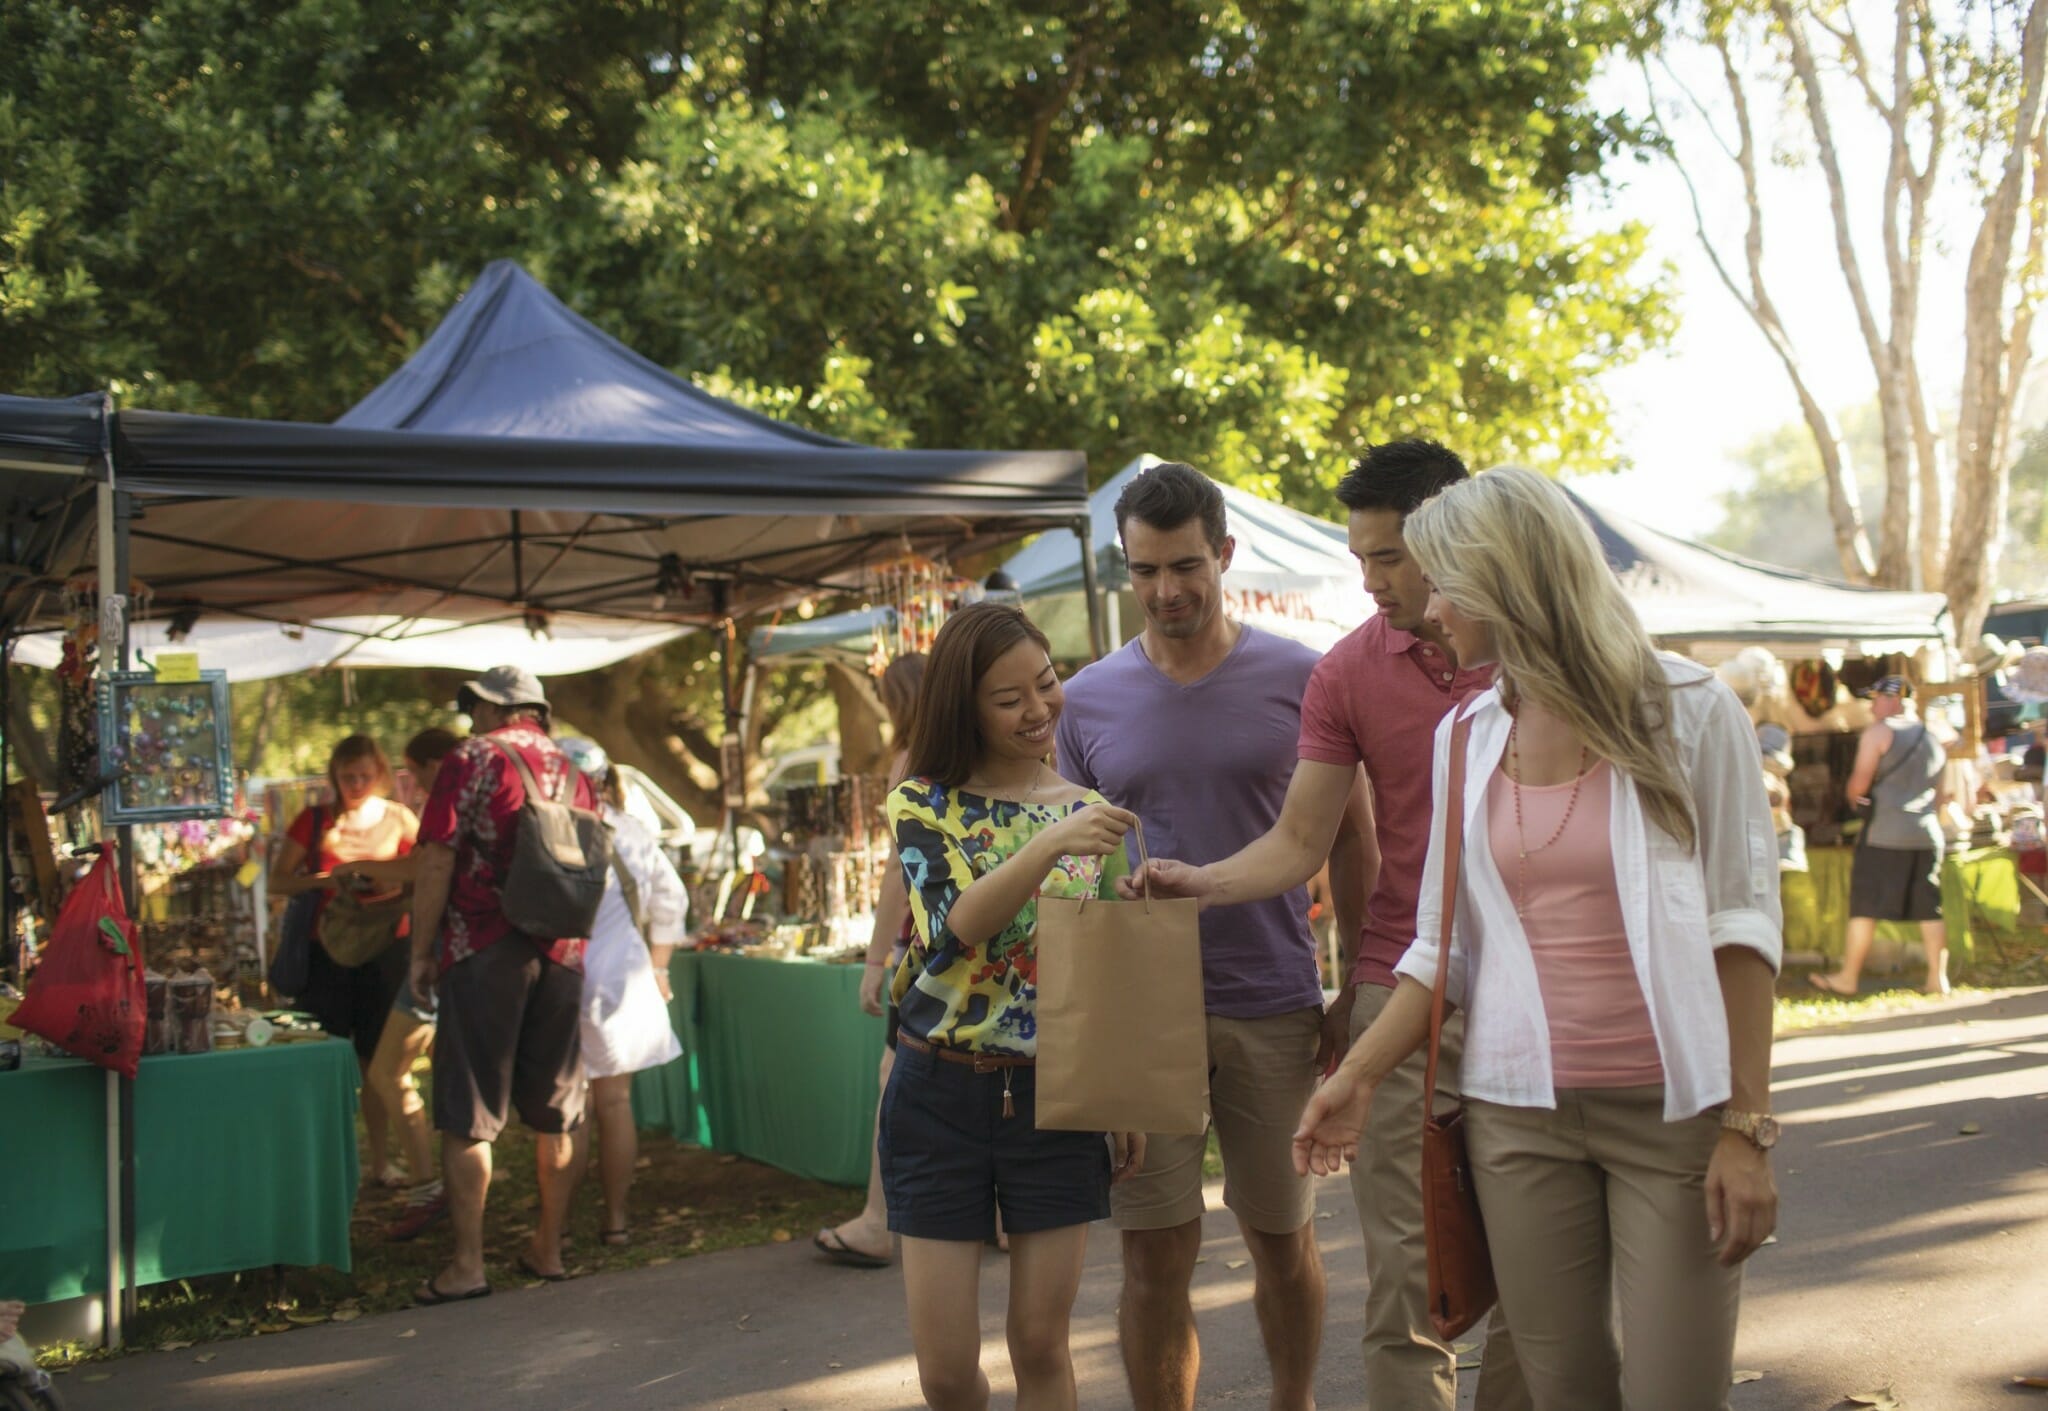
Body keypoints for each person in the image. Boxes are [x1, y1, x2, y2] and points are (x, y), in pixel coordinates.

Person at [1293, 466, 1782, 1411]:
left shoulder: (1690, 709)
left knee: (1678, 1392)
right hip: (1520, 1119)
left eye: (1443, 583)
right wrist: (1353, 1075)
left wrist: (1746, 1127)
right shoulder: (1467, 735)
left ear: (1507, 579)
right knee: (1564, 1396)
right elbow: (1441, 951)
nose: (1428, 609)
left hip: (1671, 1112)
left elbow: (1743, 929)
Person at [1126, 439, 1525, 1411]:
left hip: (1536, 981)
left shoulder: (1535, 655)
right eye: (1358, 557)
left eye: (1388, 556)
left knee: (1536, 1263)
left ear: (1453, 537)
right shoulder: (1345, 670)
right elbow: (1301, 834)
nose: (1371, 580)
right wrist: (1203, 881)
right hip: (1402, 984)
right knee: (1402, 1275)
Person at [1054, 461, 1370, 1411]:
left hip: (1272, 999)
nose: (1167, 591)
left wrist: (1351, 987)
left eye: (1186, 565)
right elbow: (1071, 873)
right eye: (1145, 571)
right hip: (1140, 1019)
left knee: (1283, 1239)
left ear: (1225, 554)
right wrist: (1087, 1029)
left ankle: (1293, 1401)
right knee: (1153, 1255)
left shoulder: (1303, 678)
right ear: (1125, 567)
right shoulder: (1085, 700)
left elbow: (1353, 840)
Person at [882, 602, 1144, 1411]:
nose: (1039, 709)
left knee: (1041, 1342)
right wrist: (1046, 844)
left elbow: (1104, 961)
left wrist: (1119, 1089)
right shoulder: (921, 803)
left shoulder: (1085, 810)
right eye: (1010, 698)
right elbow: (954, 928)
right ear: (965, 707)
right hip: (936, 1095)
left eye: (1047, 681)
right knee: (948, 1374)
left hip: (1054, 1098)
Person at [410, 665, 597, 1304]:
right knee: (560, 1110)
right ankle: (548, 1248)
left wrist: (420, 951)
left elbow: (436, 854)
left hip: (484, 945)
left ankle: (468, 1265)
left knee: (470, 1112)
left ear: (495, 709)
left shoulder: (473, 758)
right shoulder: (578, 771)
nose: (469, 720)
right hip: (566, 951)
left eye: (475, 708)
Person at [816, 651, 926, 1269]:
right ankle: (1004, 1220)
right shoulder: (981, 751)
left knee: (896, 1081)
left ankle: (878, 1221)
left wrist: (876, 962)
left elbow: (897, 870)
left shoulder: (912, 761)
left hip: (929, 946)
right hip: (995, 944)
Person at [270, 734, 419, 1187]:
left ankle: (381, 1161)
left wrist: (381, 886)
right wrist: (327, 880)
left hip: (388, 950)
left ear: (380, 775)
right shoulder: (314, 820)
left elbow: (423, 875)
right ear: (334, 776)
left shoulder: (400, 818)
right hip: (326, 952)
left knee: (379, 1063)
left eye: (364, 775)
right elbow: (279, 882)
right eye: (346, 775)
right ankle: (332, 1164)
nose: (355, 783)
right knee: (327, 1061)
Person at [557, 735, 686, 1245]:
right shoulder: (630, 830)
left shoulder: (546, 828)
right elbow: (670, 902)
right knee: (613, 1103)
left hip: (565, 975)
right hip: (622, 977)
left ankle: (558, 1226)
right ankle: (615, 1220)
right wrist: (660, 967)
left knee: (572, 1107)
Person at [344, 728, 462, 1241]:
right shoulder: (475, 797)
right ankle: (443, 1186)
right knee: (435, 1077)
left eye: (414, 773)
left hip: (438, 958)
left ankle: (429, 1188)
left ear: (434, 766)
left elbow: (427, 868)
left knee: (389, 1072)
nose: (411, 784)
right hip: (461, 956)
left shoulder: (447, 803)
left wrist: (363, 868)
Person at [1811, 675, 1952, 997]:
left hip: (1884, 834)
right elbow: (1941, 794)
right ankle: (1937, 978)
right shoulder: (1935, 737)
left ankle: (1848, 977)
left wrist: (1854, 800)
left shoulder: (1879, 733)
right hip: (1926, 834)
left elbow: (1859, 786)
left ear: (1893, 699)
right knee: (1929, 907)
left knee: (1865, 906)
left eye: (1876, 699)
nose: (1872, 707)